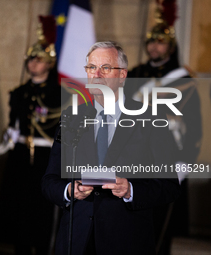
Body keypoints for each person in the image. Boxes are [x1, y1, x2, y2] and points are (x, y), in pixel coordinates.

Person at [41, 41, 181, 255]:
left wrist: (130, 190)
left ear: (122, 75)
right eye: (91, 68)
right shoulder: (72, 117)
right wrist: (70, 190)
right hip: (76, 240)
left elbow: (169, 186)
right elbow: (49, 181)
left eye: (105, 68)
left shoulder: (151, 118)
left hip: (126, 241)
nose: (96, 74)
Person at [125, 4, 202, 254]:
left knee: (161, 229)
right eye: (151, 42)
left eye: (160, 42)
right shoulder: (136, 74)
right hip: (135, 157)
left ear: (170, 46)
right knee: (133, 221)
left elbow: (193, 126)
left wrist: (185, 162)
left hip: (168, 157)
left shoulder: (183, 80)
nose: (153, 47)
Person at [0, 16, 69, 255]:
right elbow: (15, 123)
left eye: (39, 59)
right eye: (30, 59)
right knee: (18, 211)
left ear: (49, 62)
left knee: (42, 211)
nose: (33, 63)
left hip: (47, 157)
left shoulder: (60, 94)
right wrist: (9, 137)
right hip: (20, 157)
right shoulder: (19, 93)